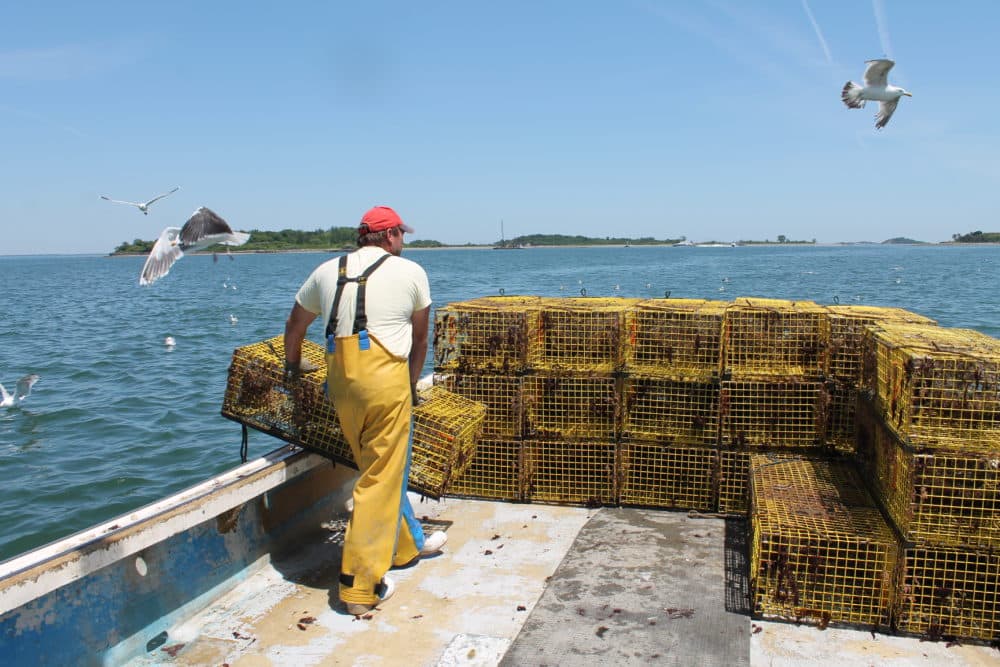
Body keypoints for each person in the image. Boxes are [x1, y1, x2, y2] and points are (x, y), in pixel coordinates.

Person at [283, 205, 447, 616]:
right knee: (379, 480)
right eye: (401, 235)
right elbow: (422, 339)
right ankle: (359, 588)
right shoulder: (410, 272)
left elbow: (294, 327)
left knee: (374, 468)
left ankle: (404, 547)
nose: (403, 242)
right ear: (390, 235)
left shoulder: (326, 270)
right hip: (384, 381)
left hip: (341, 382)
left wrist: (291, 367)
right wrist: (408, 386)